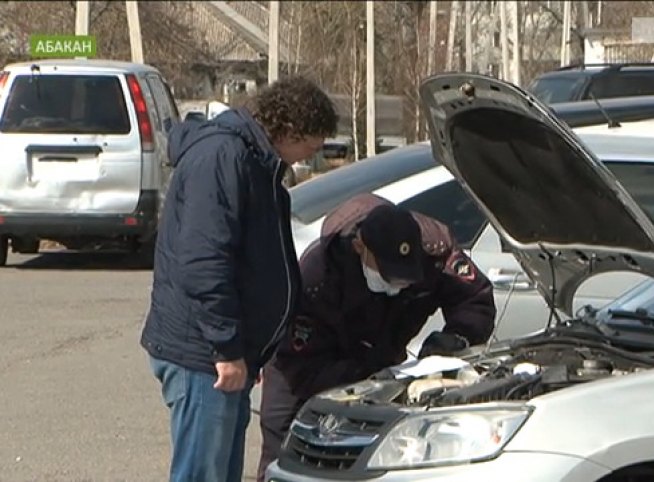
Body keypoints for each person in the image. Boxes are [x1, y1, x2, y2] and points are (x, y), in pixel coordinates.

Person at [140, 77, 338, 482]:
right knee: (202, 474)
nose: (308, 156)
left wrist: (250, 349)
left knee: (220, 472)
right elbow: (203, 262)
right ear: (291, 129)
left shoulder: (254, 162)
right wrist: (227, 349)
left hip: (224, 353)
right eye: (311, 146)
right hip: (203, 356)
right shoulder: (223, 157)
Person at [256, 193, 497, 481]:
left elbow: (474, 300)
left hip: (381, 360)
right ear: (360, 247)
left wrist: (458, 338)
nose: (397, 286)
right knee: (288, 449)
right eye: (389, 275)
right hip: (305, 370)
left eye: (406, 279)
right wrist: (366, 380)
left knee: (373, 452)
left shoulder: (436, 251)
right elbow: (301, 362)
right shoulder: (318, 276)